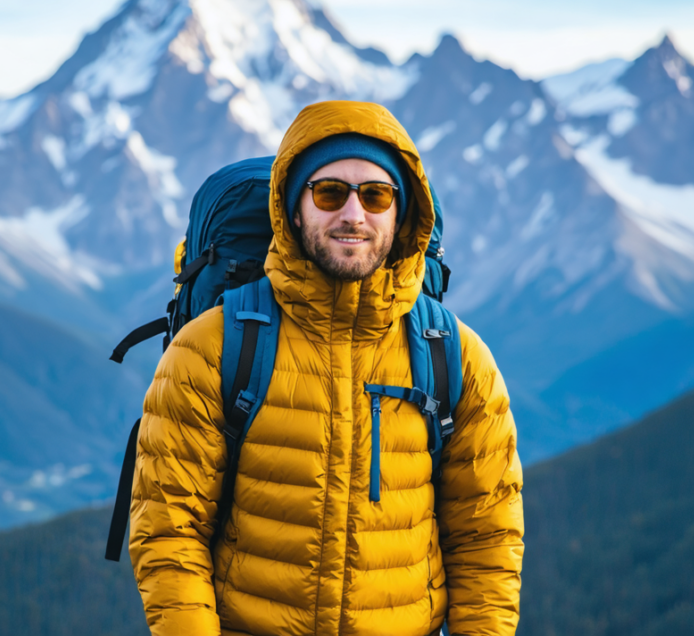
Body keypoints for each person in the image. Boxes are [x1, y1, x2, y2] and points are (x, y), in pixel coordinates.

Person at [128, 100, 524, 636]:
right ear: (293, 209)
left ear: (402, 212)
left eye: (376, 195)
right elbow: (169, 531)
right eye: (329, 192)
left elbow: (488, 540)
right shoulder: (213, 347)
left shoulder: (453, 355)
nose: (354, 214)